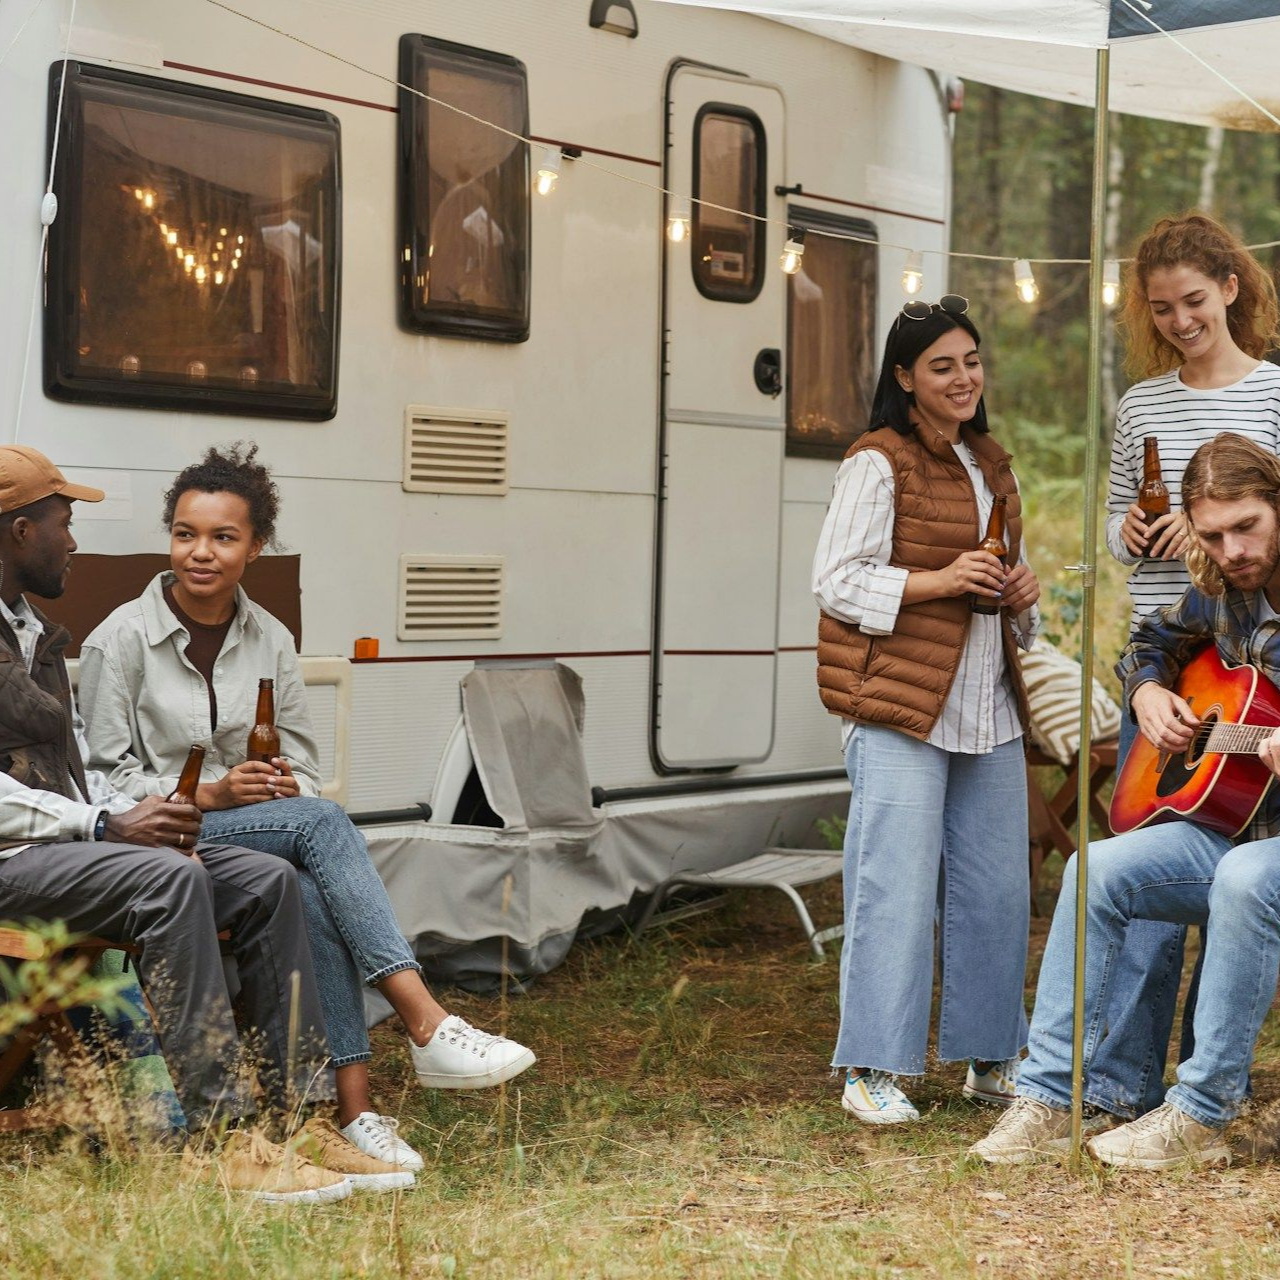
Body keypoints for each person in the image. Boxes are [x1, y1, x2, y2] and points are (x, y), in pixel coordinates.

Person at [78, 444, 535, 1173]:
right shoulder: (120, 641)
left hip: (260, 835)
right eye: (186, 534)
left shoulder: (271, 640)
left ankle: (351, 1112)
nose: (201, 553)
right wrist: (216, 793)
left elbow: (308, 769)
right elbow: (103, 783)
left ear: (256, 547)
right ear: (169, 538)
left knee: (311, 883)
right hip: (159, 841)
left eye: (224, 537)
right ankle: (426, 1021)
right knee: (321, 829)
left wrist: (285, 787)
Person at [0, 445, 351, 1203]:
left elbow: (81, 757)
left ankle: (299, 1118)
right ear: (21, 530)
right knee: (167, 875)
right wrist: (103, 822)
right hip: (15, 857)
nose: (75, 540)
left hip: (65, 844)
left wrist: (133, 811)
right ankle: (220, 1136)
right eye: (64, 523)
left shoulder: (30, 630)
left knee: (265, 880)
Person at [972, 433, 1280, 1169]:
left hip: (1258, 862)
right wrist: (1147, 692)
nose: (1232, 549)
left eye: (1248, 527)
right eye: (1212, 534)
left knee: (1242, 879)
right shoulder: (1220, 589)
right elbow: (1150, 641)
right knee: (1094, 871)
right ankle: (1049, 1097)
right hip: (1238, 829)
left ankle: (1202, 1114)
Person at [813, 296, 1041, 1124]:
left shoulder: (994, 465)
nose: (963, 378)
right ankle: (871, 1067)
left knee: (997, 893)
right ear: (905, 378)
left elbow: (1023, 613)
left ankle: (991, 1058)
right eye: (942, 366)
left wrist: (1022, 595)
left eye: (971, 362)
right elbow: (835, 581)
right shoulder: (878, 462)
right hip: (900, 708)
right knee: (893, 887)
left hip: (989, 708)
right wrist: (942, 581)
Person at [1090, 211, 1280, 1122]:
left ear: (1232, 289)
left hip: (1256, 652)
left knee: (1233, 863)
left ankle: (1206, 1084)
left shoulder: (1274, 392)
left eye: (1193, 301)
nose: (1178, 320)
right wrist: (1131, 531)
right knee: (1146, 866)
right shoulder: (1142, 406)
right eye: (1161, 307)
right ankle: (1123, 1078)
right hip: (1171, 656)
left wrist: (1220, 524)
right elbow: (1118, 520)